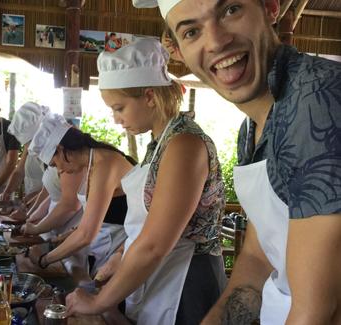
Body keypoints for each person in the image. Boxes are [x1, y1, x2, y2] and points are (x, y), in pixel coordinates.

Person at [143, 0, 341, 323]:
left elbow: (319, 311)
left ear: (270, 7)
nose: (217, 41)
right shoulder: (250, 130)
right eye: (192, 31)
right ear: (180, 50)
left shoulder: (316, 100)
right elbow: (256, 261)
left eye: (230, 10)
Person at [66, 38, 227, 324]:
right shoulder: (159, 142)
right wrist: (120, 255)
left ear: (150, 96)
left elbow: (154, 244)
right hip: (162, 274)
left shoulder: (184, 143)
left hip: (187, 282)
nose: (116, 119)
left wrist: (98, 301)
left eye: (119, 108)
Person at [28, 114, 133, 275]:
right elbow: (93, 216)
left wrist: (44, 260)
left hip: (122, 247)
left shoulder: (104, 163)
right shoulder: (93, 162)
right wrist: (68, 234)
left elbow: (86, 235)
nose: (60, 170)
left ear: (61, 149)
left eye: (55, 164)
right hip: (105, 245)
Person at [1, 102, 49, 202]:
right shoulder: (30, 147)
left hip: (47, 205)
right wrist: (8, 191)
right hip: (31, 203)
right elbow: (19, 172)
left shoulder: (53, 151)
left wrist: (30, 199)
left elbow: (52, 188)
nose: (27, 146)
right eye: (25, 143)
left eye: (29, 142)